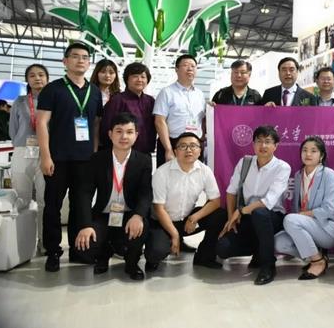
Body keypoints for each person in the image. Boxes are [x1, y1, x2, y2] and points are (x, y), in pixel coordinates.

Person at [37, 42, 103, 271]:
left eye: (85, 57)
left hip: (85, 160)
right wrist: (45, 156)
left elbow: (96, 124)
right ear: (65, 61)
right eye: (75, 56)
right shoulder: (53, 89)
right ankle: (53, 251)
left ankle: (79, 250)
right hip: (58, 158)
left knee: (80, 205)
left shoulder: (95, 92)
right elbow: (42, 123)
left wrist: (94, 152)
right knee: (53, 206)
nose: (80, 60)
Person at [74, 113, 152, 280]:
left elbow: (145, 193)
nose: (124, 136)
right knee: (86, 246)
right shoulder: (97, 159)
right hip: (104, 214)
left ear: (136, 135)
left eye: (129, 132)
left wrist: (138, 215)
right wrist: (86, 225)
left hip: (129, 213)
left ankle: (132, 263)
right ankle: (103, 255)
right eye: (119, 131)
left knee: (141, 226)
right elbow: (85, 193)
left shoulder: (143, 161)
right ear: (110, 134)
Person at [217, 125, 291, 285]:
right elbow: (231, 191)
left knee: (260, 213)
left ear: (276, 146)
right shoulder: (244, 162)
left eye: (268, 142)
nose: (263, 145)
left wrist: (240, 211)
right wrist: (231, 219)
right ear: (253, 144)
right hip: (247, 217)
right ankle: (258, 250)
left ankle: (268, 265)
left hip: (272, 217)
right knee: (223, 248)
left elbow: (268, 201)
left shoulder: (282, 167)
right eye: (259, 141)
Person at [145, 132, 226, 271]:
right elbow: (159, 209)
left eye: (193, 146)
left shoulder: (205, 171)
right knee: (156, 252)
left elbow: (215, 201)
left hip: (186, 221)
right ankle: (160, 250)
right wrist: (175, 235)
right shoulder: (162, 172)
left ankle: (204, 256)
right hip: (162, 222)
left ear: (200, 150)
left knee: (220, 215)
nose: (189, 150)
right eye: (183, 146)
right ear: (175, 151)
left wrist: (194, 218)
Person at [274, 137, 334, 280]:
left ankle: (318, 262)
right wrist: (299, 218)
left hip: (327, 228)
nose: (308, 154)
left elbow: (329, 209)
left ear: (321, 155)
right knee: (278, 242)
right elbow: (296, 206)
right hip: (305, 226)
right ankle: (317, 256)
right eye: (305, 150)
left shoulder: (329, 174)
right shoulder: (298, 175)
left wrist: (304, 215)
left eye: (313, 151)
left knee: (290, 220)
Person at [9, 63, 49, 252]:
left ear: (47, 78)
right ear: (27, 80)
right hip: (22, 151)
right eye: (32, 75)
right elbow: (13, 129)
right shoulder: (20, 101)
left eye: (41, 74)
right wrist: (21, 141)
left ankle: (44, 242)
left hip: (46, 153)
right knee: (21, 199)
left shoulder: (54, 101)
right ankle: (23, 245)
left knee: (44, 200)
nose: (37, 78)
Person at [153, 54, 206, 167]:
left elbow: (202, 119)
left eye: (193, 66)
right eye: (186, 65)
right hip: (173, 143)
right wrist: (168, 149)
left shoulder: (200, 94)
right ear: (176, 69)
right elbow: (159, 121)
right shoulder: (166, 92)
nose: (190, 69)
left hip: (194, 144)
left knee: (194, 176)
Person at [100, 62, 156, 157]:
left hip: (145, 153)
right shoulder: (117, 100)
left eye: (143, 77)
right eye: (135, 76)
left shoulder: (150, 101)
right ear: (127, 79)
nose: (139, 80)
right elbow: (106, 127)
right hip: (122, 153)